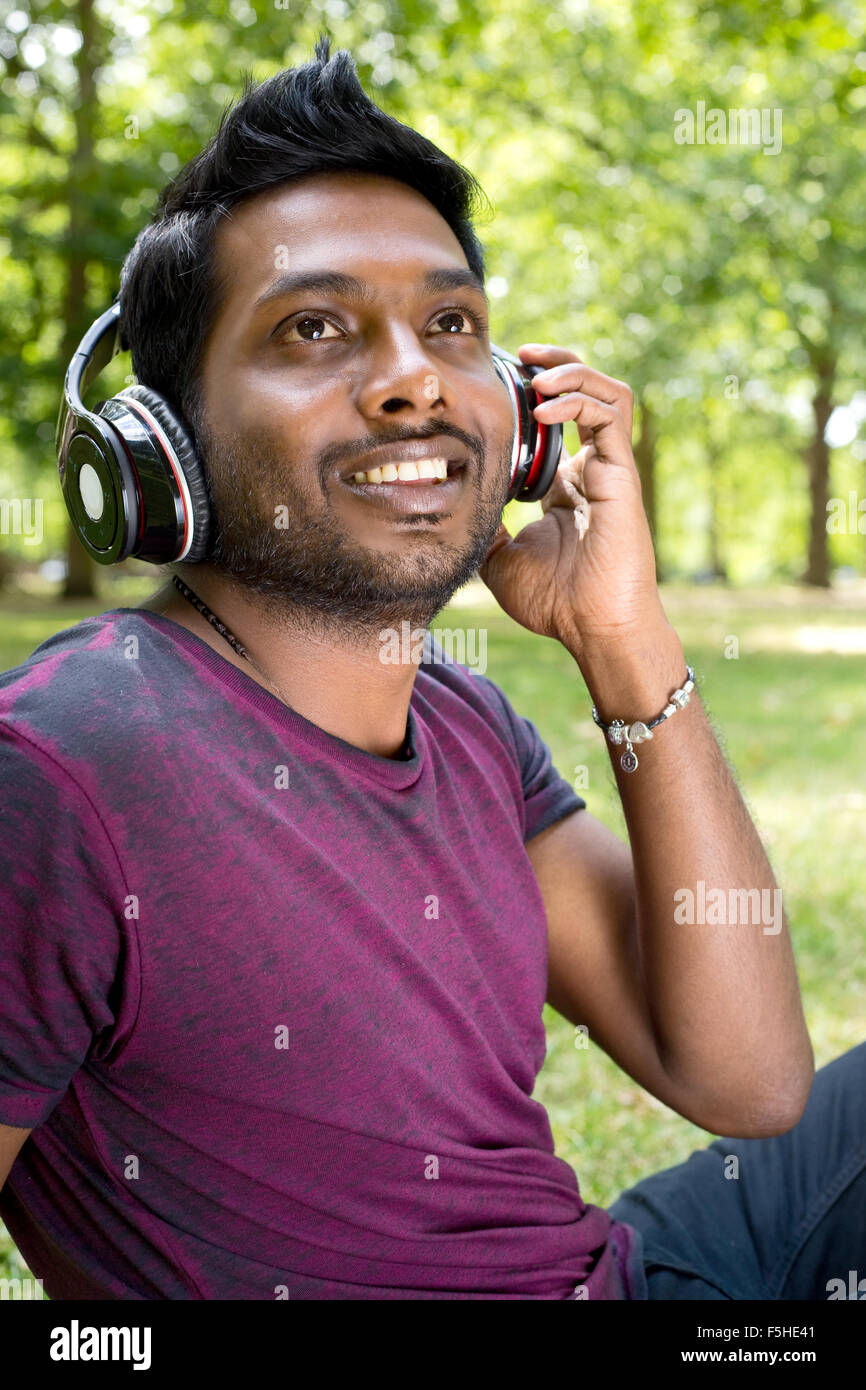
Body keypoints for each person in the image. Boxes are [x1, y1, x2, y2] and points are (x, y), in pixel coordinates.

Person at [0, 36, 861, 1301]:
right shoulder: (66, 766)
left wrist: (623, 640)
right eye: (314, 327)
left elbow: (743, 1077)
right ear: (159, 445)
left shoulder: (463, 718)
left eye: (449, 322)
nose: (413, 378)